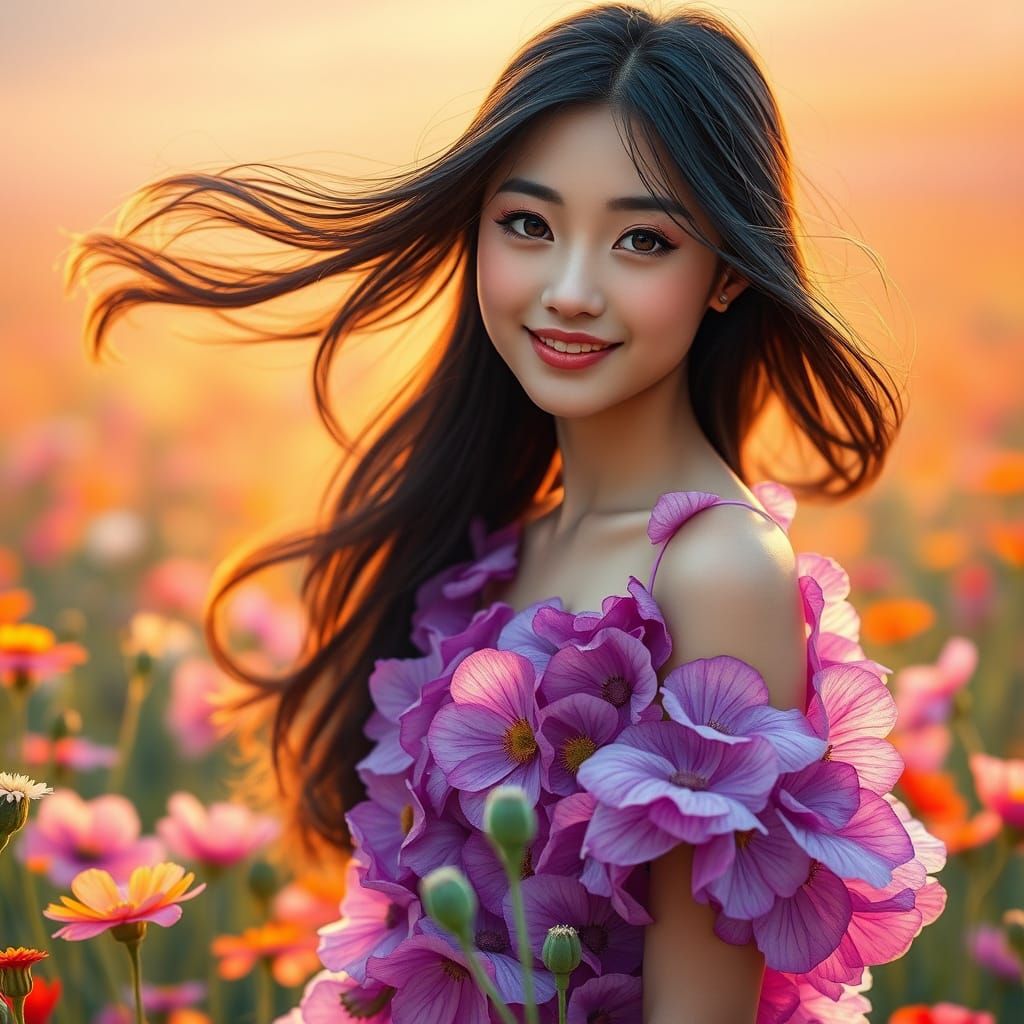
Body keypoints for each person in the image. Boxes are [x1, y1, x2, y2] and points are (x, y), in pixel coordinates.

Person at [64, 4, 941, 1022]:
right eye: (527, 224)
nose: (568, 290)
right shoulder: (500, 546)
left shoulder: (715, 572)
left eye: (642, 240)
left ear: (727, 273)